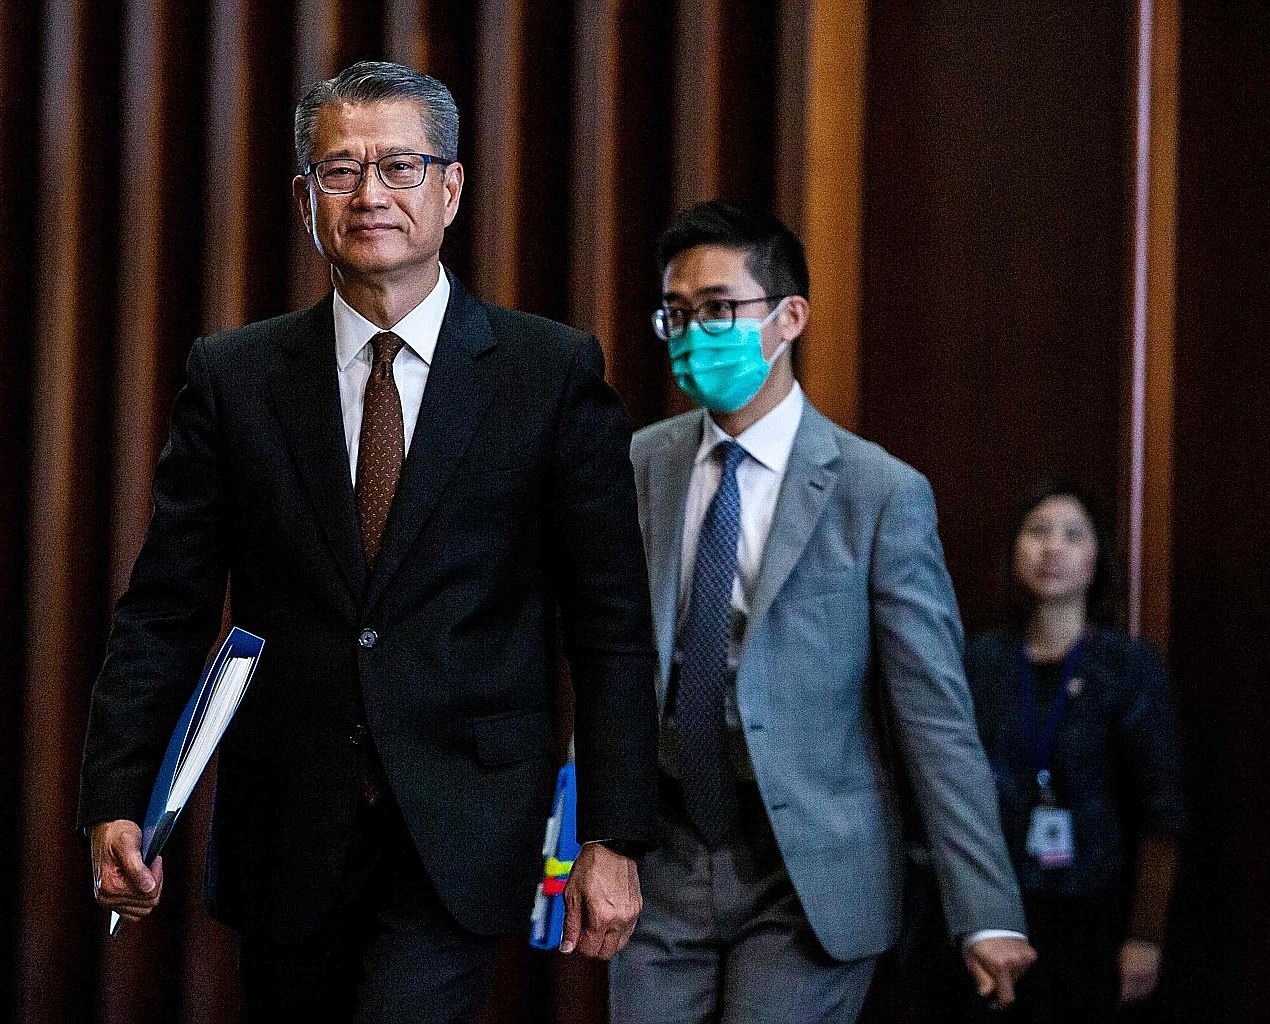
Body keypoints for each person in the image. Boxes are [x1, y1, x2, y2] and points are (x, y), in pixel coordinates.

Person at [78, 61, 658, 1022]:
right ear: (306, 200)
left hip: (461, 824)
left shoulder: (546, 372)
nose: (371, 194)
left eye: (400, 166)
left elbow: (610, 626)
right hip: (287, 825)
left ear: (452, 187)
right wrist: (117, 794)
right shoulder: (236, 377)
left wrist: (614, 831)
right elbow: (164, 609)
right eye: (341, 172)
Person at [610, 200, 1036, 1023]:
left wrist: (984, 905)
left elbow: (934, 716)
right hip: (660, 858)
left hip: (806, 872)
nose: (696, 333)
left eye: (720, 309)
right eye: (677, 314)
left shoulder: (877, 493)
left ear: (787, 316)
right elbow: (608, 664)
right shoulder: (640, 465)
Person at [955, 481, 1186, 1021]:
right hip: (995, 910)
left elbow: (1164, 811)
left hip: (1095, 911)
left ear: (1095, 558)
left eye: (1072, 535)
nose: (1051, 548)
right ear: (1015, 550)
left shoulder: (1128, 669)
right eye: (1037, 532)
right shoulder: (980, 663)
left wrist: (1146, 935)